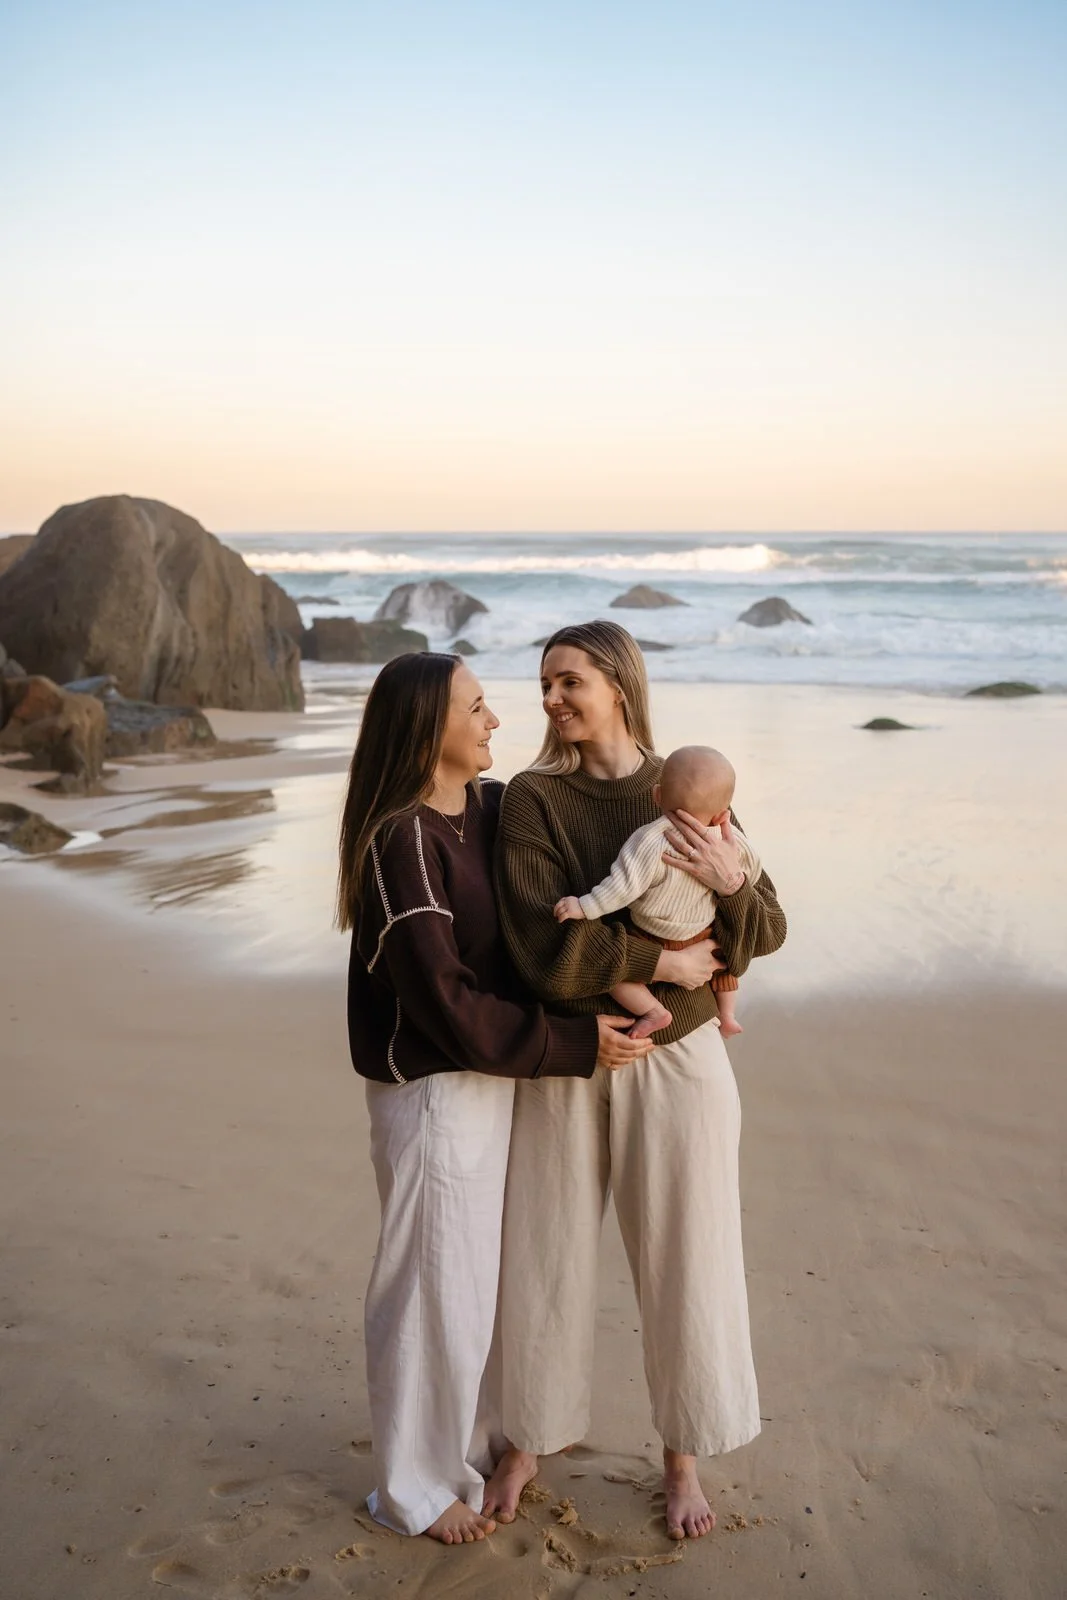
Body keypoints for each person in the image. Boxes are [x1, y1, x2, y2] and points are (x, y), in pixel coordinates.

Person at [338, 651, 652, 1547]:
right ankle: (410, 1487)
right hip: (435, 1092)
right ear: (424, 729)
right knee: (428, 1290)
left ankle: (460, 1455)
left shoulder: (488, 808)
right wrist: (576, 1045)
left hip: (496, 1083)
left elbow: (554, 905)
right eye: (476, 708)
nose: (495, 721)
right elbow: (445, 1000)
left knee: (471, 1289)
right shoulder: (402, 837)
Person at [483, 621, 787, 1541]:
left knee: (689, 1252)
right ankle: (527, 1438)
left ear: (617, 681)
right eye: (543, 684)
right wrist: (666, 960)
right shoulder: (531, 799)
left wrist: (730, 887)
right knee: (543, 1248)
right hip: (569, 1053)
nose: (550, 699)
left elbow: (763, 927)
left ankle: (682, 1459)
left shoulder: (690, 788)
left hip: (683, 1057)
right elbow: (539, 946)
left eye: (568, 681)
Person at [553, 744, 758, 1039]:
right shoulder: (730, 840)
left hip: (652, 938)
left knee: (615, 974)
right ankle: (726, 1015)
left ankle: (653, 1011)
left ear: (657, 795)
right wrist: (734, 882)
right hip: (704, 936)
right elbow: (754, 868)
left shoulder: (651, 839)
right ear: (722, 815)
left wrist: (583, 906)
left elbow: (621, 887)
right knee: (727, 964)